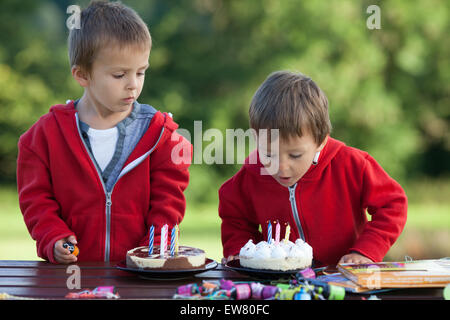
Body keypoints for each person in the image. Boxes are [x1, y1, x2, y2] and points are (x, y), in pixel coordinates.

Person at [16, 1, 191, 264]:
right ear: (82, 75)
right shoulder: (43, 138)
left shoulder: (160, 136)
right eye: (120, 75)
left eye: (141, 72)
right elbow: (36, 200)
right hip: (70, 280)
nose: (133, 84)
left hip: (140, 278)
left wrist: (150, 255)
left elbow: (168, 204)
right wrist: (53, 237)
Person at [219, 71, 407, 267]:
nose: (281, 166)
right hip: (278, 287)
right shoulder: (250, 177)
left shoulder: (351, 164)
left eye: (295, 155)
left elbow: (393, 204)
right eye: (269, 154)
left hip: (343, 281)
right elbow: (236, 220)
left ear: (321, 140)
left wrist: (366, 251)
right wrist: (243, 252)